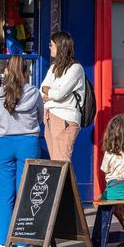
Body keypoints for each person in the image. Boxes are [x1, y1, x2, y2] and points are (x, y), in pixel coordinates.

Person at [0, 55, 42, 247]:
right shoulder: (34, 92)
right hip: (28, 143)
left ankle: (4, 240)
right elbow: (40, 116)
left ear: (6, 71)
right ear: (26, 72)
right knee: (25, 192)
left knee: (4, 194)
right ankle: (22, 239)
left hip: (2, 143)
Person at [41, 31, 85, 161]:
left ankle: (66, 176)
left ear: (60, 47)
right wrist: (51, 93)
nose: (49, 47)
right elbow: (41, 90)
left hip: (64, 117)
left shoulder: (75, 68)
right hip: (49, 116)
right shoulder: (53, 67)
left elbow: (59, 94)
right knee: (56, 161)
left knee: (62, 160)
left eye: (52, 45)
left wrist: (51, 93)